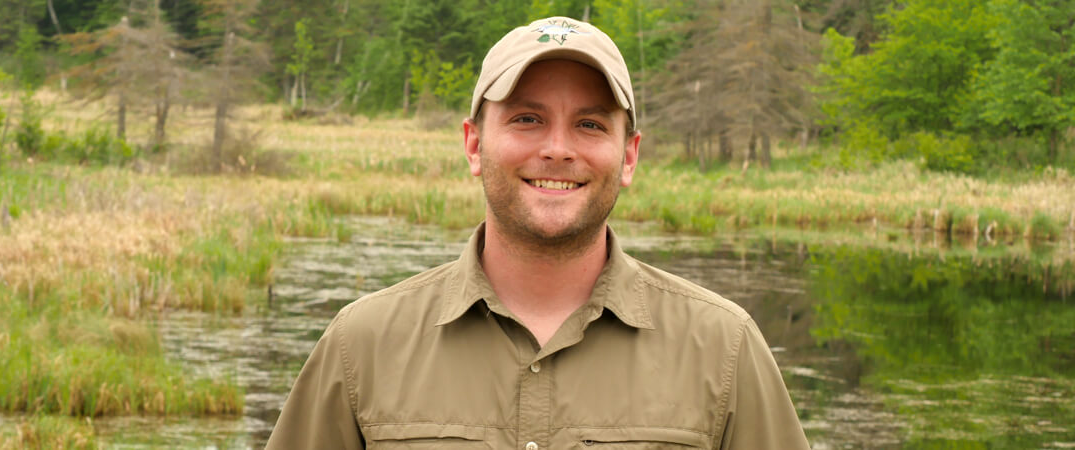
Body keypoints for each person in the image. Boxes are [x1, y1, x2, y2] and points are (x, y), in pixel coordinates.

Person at [266, 16, 809, 450]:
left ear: (629, 156)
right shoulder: (361, 346)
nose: (557, 148)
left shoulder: (723, 348)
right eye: (527, 119)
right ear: (474, 145)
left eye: (590, 124)